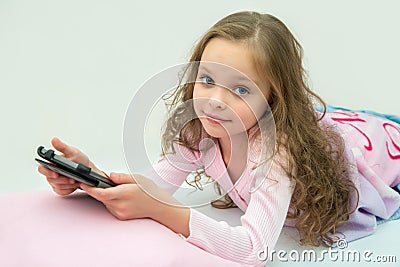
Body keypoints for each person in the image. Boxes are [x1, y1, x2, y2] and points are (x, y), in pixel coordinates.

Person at [37, 11, 400, 266]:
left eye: (241, 89)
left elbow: (253, 251)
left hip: (371, 148)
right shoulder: (201, 129)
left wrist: (166, 211)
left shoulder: (278, 155)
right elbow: (154, 186)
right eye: (208, 80)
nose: (214, 101)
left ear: (273, 98)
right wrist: (92, 179)